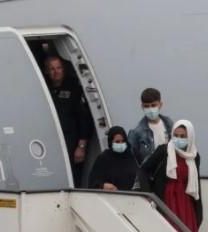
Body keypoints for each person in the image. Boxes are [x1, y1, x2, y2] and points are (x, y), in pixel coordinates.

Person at [137, 120, 202, 232]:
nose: (178, 139)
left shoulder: (194, 156)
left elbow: (196, 184)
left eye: (183, 136)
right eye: (176, 135)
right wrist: (148, 194)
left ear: (190, 137)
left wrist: (199, 214)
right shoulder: (164, 150)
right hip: (166, 199)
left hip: (186, 202)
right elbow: (143, 170)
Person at [44, 56, 94, 187]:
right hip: (51, 141)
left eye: (59, 68)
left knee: (72, 176)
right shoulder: (45, 88)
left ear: (64, 69)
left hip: (71, 141)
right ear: (47, 71)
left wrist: (81, 146)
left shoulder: (74, 88)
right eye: (52, 69)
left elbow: (83, 118)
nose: (56, 72)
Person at [128, 88, 174, 165]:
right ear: (142, 106)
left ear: (160, 104)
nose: (150, 109)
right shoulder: (136, 132)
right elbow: (132, 160)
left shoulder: (169, 124)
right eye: (147, 106)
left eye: (153, 105)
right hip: (149, 174)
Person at [88, 126, 138, 191]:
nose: (121, 144)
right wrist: (103, 186)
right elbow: (92, 183)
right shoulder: (104, 158)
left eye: (123, 141)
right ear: (110, 142)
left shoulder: (132, 156)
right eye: (117, 142)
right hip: (111, 198)